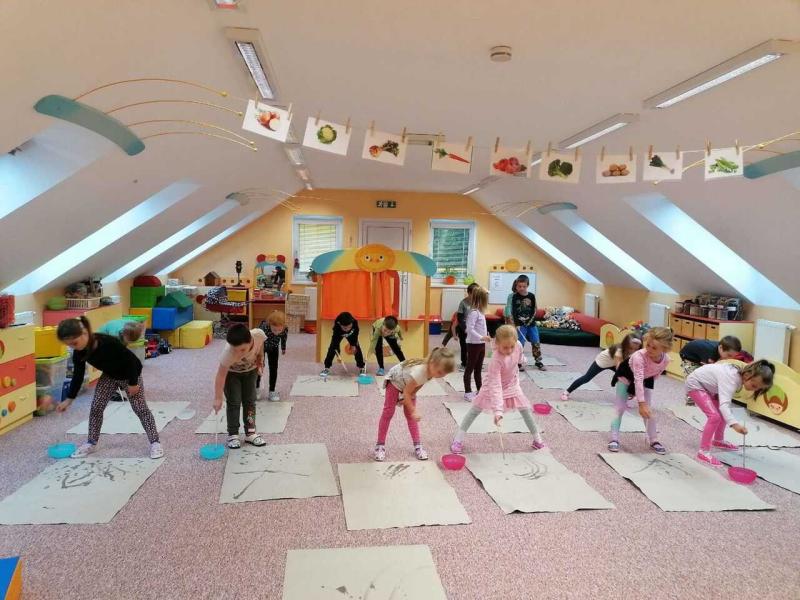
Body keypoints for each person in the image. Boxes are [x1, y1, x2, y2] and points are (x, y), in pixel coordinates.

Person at [55, 317, 163, 459]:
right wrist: (69, 399)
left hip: (130, 374)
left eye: (74, 343)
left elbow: (133, 362)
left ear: (85, 333)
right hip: (110, 376)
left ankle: (155, 442)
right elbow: (78, 376)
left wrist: (133, 383)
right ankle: (91, 442)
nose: (73, 347)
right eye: (69, 345)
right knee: (96, 407)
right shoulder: (79, 352)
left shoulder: (107, 342)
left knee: (140, 409)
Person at [450, 325, 546, 453]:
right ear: (497, 343)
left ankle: (537, 440)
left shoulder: (518, 345)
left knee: (525, 410)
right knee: (475, 410)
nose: (509, 350)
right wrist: (498, 411)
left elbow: (519, 356)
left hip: (511, 383)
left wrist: (523, 360)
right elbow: (495, 386)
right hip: (492, 386)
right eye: (505, 347)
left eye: (512, 346)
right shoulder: (496, 360)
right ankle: (458, 439)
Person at [685, 359, 774, 466]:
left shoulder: (738, 376)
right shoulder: (731, 379)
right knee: (714, 417)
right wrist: (735, 425)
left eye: (758, 389)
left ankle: (718, 440)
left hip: (709, 387)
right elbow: (724, 405)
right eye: (754, 386)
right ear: (747, 375)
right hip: (696, 384)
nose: (754, 390)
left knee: (724, 413)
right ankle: (703, 451)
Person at [374, 348, 456, 462]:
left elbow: (419, 384)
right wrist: (413, 409)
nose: (440, 376)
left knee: (410, 416)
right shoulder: (420, 372)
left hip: (408, 385)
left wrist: (409, 398)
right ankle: (380, 445)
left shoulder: (431, 371)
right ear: (432, 363)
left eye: (444, 374)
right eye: (440, 372)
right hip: (395, 381)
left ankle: (417, 445)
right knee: (388, 413)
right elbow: (407, 391)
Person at [608, 327, 673, 455]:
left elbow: (656, 374)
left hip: (645, 378)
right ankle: (614, 438)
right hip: (626, 377)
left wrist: (642, 400)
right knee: (620, 408)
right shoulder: (639, 357)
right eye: (648, 345)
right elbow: (637, 379)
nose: (649, 349)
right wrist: (640, 402)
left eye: (654, 348)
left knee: (648, 411)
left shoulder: (666, 359)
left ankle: (653, 439)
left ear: (664, 349)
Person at [213, 324, 267, 448]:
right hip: (232, 375)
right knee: (234, 402)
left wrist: (260, 359)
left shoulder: (258, 335)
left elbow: (260, 345)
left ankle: (250, 432)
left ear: (250, 340)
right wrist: (218, 398)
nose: (238, 354)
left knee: (250, 401)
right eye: (235, 350)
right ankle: (233, 434)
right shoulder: (228, 353)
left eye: (242, 350)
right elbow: (220, 375)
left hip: (251, 371)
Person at [561, 334, 642, 400]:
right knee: (586, 378)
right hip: (602, 362)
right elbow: (619, 369)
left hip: (613, 363)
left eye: (636, 349)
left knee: (628, 377)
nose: (633, 351)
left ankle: (624, 397)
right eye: (630, 348)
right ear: (625, 345)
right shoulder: (619, 351)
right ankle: (567, 392)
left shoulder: (635, 353)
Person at [680, 336, 742, 405]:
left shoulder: (723, 349)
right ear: (720, 348)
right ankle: (691, 401)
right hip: (688, 357)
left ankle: (703, 397)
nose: (731, 358)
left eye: (733, 356)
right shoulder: (711, 352)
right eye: (729, 355)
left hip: (699, 356)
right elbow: (711, 369)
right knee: (692, 378)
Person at [504, 274, 545, 371]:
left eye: (524, 286)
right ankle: (518, 362)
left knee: (536, 341)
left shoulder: (531, 296)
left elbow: (535, 309)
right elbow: (512, 311)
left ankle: (538, 361)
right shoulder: (514, 297)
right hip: (520, 325)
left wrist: (529, 321)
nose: (522, 288)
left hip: (531, 324)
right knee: (520, 343)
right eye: (519, 286)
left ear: (527, 285)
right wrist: (515, 324)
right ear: (516, 285)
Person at [464, 286, 491, 402]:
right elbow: (469, 329)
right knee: (469, 368)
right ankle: (468, 392)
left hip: (481, 344)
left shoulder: (481, 312)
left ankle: (480, 390)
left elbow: (481, 327)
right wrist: (481, 337)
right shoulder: (474, 313)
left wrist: (486, 335)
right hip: (473, 344)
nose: (487, 301)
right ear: (481, 300)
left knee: (478, 369)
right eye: (486, 299)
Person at [321, 312, 365, 376]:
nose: (347, 330)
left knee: (357, 349)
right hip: (339, 335)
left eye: (349, 327)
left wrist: (353, 345)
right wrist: (338, 354)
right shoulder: (337, 325)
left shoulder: (354, 322)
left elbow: (356, 334)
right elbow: (335, 342)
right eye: (345, 328)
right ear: (339, 324)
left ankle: (361, 367)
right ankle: (326, 368)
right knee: (332, 349)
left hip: (352, 335)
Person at [257, 310, 288, 401]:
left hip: (274, 347)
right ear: (270, 325)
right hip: (261, 347)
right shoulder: (264, 327)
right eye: (274, 330)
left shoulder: (285, 328)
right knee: (259, 367)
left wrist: (283, 348)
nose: (277, 332)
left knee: (273, 368)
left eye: (279, 330)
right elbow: (258, 339)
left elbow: (284, 337)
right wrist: (261, 356)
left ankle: (272, 391)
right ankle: (256, 389)